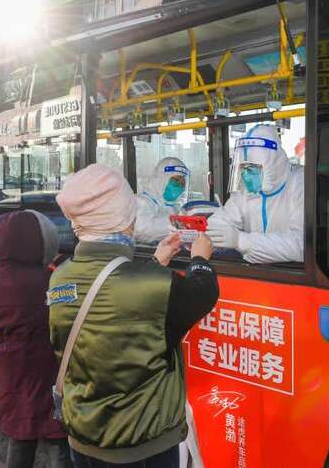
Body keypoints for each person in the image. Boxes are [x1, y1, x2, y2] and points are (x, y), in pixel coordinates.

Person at [49, 163, 218, 467]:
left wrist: (155, 262)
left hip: (83, 441)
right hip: (143, 448)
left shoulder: (60, 277)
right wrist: (200, 258)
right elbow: (201, 293)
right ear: (123, 219)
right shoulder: (154, 286)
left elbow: (115, 294)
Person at [0, 210, 72, 468]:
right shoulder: (51, 280)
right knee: (57, 437)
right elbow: (67, 312)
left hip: (12, 369)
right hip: (49, 367)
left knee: (20, 435)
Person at [206, 124, 304, 263]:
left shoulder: (299, 182)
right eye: (243, 169)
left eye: (251, 169)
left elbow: (301, 245)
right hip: (254, 272)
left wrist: (242, 241)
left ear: (271, 165)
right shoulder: (246, 191)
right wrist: (203, 233)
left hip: (293, 273)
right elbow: (221, 221)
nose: (245, 176)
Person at [134, 157, 190, 244]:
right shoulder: (141, 201)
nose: (179, 187)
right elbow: (142, 230)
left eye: (182, 183)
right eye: (175, 181)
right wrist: (178, 223)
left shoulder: (173, 207)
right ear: (160, 179)